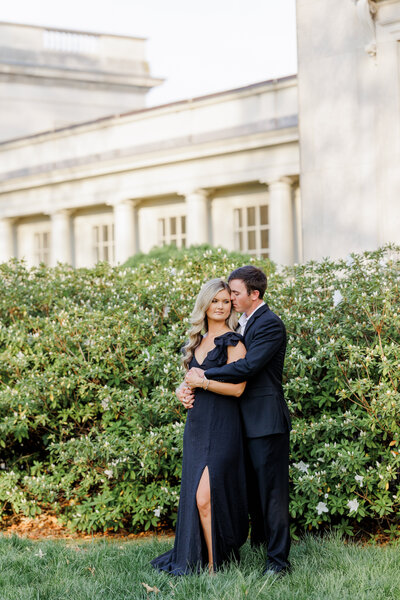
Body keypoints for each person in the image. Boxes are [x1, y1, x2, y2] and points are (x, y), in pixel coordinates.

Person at [185, 266, 292, 575]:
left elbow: (247, 367)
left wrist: (202, 375)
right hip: (238, 423)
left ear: (253, 294)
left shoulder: (270, 324)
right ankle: (251, 547)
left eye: (234, 293)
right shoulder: (243, 324)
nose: (229, 299)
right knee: (251, 494)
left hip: (265, 422)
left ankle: (278, 563)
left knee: (272, 496)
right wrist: (188, 385)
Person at [151, 278, 249, 575]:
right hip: (197, 425)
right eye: (215, 301)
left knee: (205, 495)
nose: (220, 306)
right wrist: (181, 391)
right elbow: (189, 380)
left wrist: (203, 382)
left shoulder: (234, 342)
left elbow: (238, 390)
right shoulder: (197, 341)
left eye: (225, 301)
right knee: (196, 494)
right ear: (205, 305)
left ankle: (213, 565)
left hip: (223, 424)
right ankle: (202, 558)